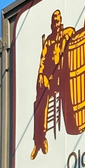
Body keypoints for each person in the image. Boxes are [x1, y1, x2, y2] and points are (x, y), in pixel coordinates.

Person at [31, 10, 75, 159]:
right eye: (53, 21)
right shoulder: (48, 41)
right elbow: (42, 62)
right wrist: (42, 76)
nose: (56, 24)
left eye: (58, 21)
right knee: (39, 100)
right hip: (51, 78)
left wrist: (66, 37)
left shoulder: (66, 33)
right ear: (51, 24)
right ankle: (39, 140)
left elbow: (73, 34)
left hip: (64, 75)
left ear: (60, 22)